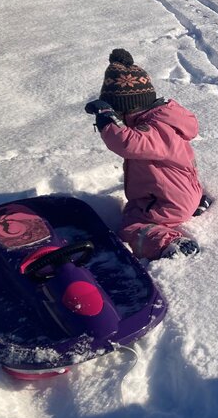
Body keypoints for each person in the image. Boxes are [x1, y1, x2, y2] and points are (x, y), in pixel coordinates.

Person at [85, 48, 211, 260]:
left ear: (127, 109)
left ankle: (168, 244)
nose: (119, 121)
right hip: (185, 192)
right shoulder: (166, 120)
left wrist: (107, 121)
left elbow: (128, 143)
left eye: (118, 115)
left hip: (167, 202)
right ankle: (193, 206)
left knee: (132, 226)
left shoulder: (154, 130)